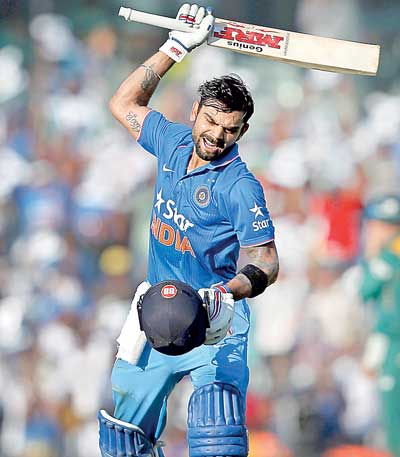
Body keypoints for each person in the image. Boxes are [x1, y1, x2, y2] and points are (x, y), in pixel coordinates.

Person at [98, 4, 279, 457]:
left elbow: (266, 260)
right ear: (195, 110)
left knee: (216, 434)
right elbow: (123, 104)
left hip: (218, 316)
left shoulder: (239, 186)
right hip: (158, 309)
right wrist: (175, 46)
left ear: (243, 131)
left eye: (230, 130)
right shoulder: (173, 142)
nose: (217, 136)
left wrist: (231, 292)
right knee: (122, 439)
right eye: (211, 121)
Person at [359, 194, 400, 457]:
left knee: (393, 418)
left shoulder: (388, 258)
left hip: (394, 347)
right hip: (389, 344)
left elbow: (366, 290)